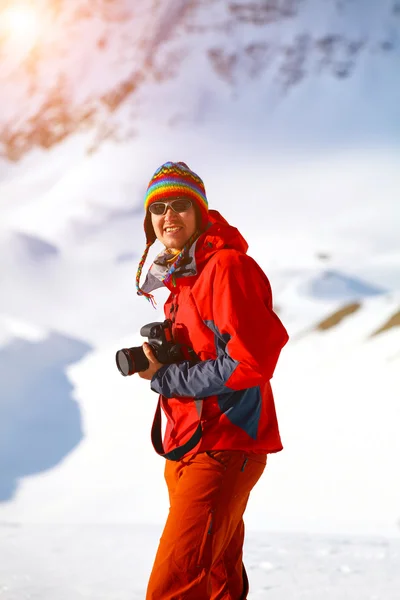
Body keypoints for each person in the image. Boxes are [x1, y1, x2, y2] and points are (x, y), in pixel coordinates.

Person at [135, 161, 289, 600]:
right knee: (217, 578)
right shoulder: (183, 279)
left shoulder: (225, 268)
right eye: (158, 207)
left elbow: (252, 362)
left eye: (180, 204)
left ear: (200, 212)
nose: (168, 216)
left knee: (174, 586)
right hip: (189, 444)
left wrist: (168, 376)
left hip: (224, 445)